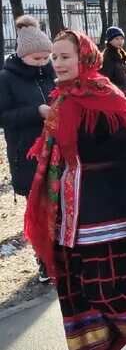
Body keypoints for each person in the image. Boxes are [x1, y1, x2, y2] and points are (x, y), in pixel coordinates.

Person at [24, 30, 126, 350]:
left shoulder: (106, 98)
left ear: (83, 56)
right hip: (69, 222)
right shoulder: (61, 98)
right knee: (80, 295)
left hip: (107, 218)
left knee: (109, 290)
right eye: (54, 57)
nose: (57, 63)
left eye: (65, 56)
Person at [0, 15, 56, 282]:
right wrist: (37, 112)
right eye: (37, 59)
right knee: (39, 211)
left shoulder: (51, 72)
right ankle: (44, 261)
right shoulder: (6, 78)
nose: (43, 63)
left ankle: (61, 257)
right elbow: (4, 116)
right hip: (26, 155)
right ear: (23, 55)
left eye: (47, 58)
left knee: (59, 208)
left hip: (56, 151)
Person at [100, 26, 126, 110]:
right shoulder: (108, 58)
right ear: (110, 40)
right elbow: (105, 82)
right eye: (116, 39)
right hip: (116, 102)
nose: (120, 41)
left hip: (124, 99)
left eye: (121, 38)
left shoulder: (120, 55)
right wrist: (121, 93)